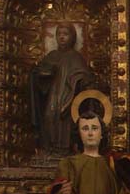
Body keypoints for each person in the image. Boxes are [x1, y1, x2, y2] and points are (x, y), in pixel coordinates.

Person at [30, 22, 96, 154]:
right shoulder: (52, 56)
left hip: (68, 98)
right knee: (49, 117)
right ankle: (48, 148)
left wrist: (81, 80)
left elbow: (84, 77)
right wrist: (40, 75)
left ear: (73, 37)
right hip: (52, 96)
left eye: (65, 34)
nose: (62, 37)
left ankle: (65, 150)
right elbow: (38, 76)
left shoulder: (76, 57)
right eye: (59, 34)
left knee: (66, 122)